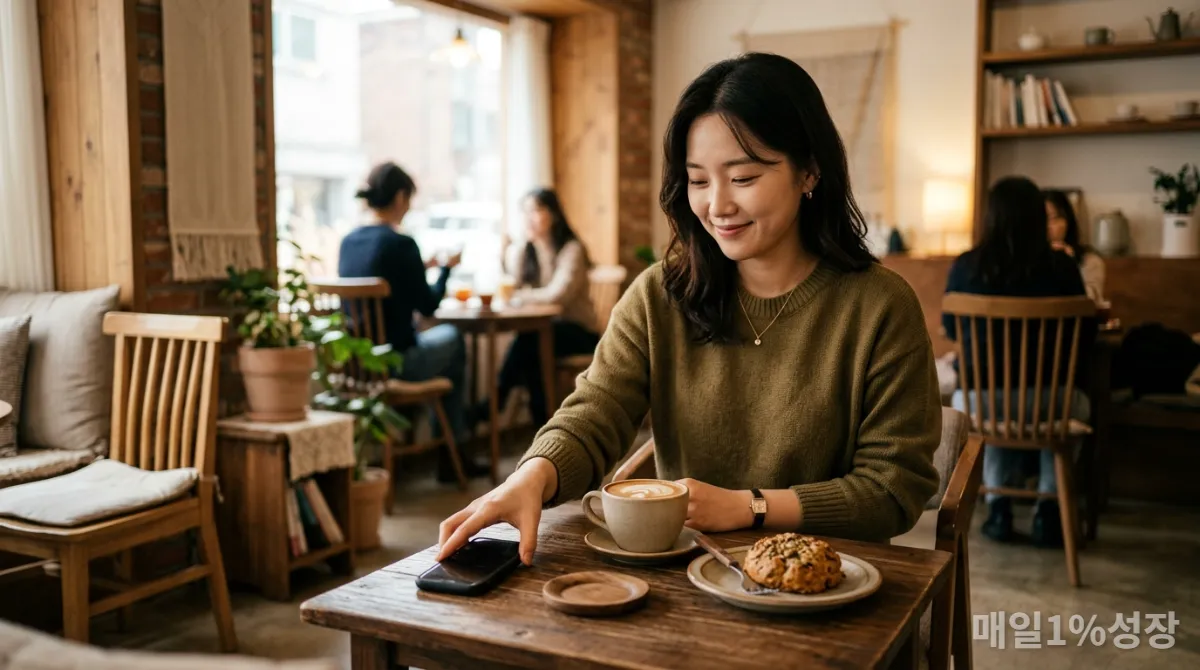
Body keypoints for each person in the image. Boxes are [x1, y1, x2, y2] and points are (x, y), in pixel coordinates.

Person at [436, 52, 942, 567]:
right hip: (686, 574)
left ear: (809, 171)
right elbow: (595, 412)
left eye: (742, 178)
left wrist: (749, 507)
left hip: (829, 582)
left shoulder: (879, 306)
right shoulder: (661, 295)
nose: (717, 205)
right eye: (698, 180)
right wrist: (530, 477)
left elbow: (893, 490)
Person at [942, 176, 1097, 548]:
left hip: (980, 401)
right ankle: (1047, 510)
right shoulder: (1062, 266)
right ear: (1037, 217)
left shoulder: (967, 265)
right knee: (1075, 406)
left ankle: (998, 506)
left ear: (991, 217)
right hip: (1051, 402)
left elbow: (950, 326)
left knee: (986, 403)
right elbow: (1086, 334)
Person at [338, 161, 487, 482]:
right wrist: (446, 268)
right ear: (401, 197)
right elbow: (429, 304)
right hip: (398, 363)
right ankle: (451, 453)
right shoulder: (401, 244)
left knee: (441, 341)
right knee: (454, 339)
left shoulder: (348, 242)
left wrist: (423, 265)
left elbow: (388, 280)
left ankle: (445, 449)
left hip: (358, 366)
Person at [486, 188, 601, 428]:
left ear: (554, 215)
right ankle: (540, 420)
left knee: (531, 342)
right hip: (546, 332)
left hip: (580, 332)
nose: (529, 217)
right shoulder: (526, 250)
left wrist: (522, 295)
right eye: (525, 211)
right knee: (532, 344)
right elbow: (509, 286)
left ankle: (497, 400)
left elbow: (557, 296)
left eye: (536, 210)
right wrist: (506, 254)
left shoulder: (572, 249)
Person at [1045, 189, 1105, 302]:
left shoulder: (1089, 261)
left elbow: (1089, 303)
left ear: (1068, 222)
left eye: (1054, 218)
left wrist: (1069, 264)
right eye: (1041, 219)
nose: (1047, 226)